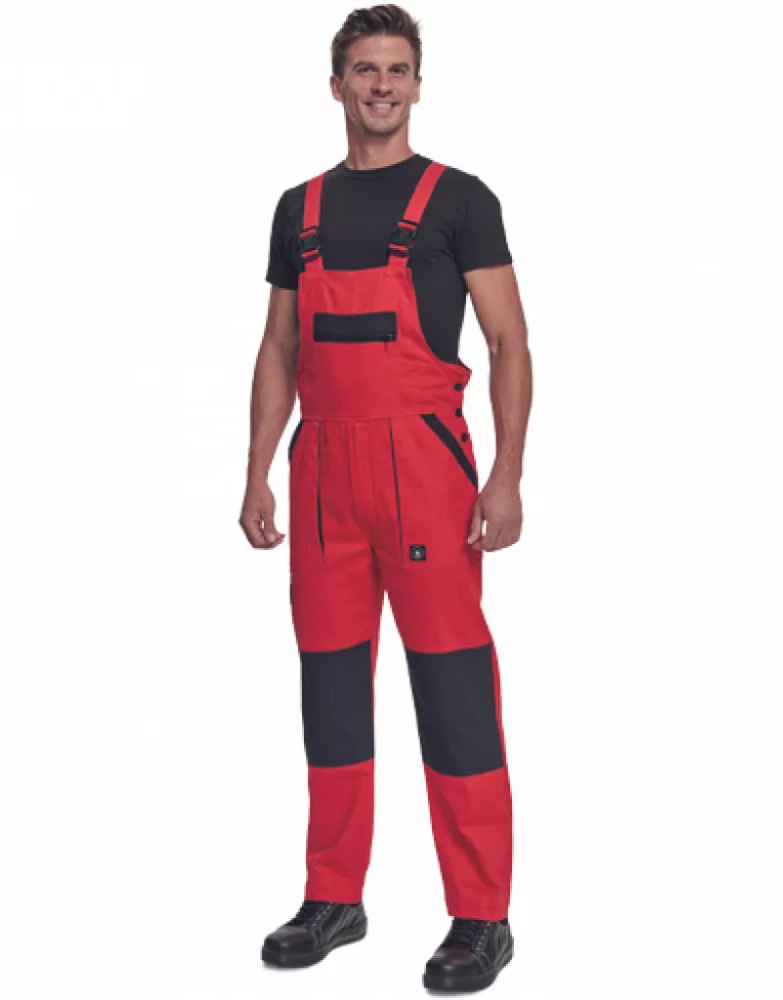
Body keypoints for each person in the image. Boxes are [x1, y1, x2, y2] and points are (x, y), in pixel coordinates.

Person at [239, 4, 532, 992]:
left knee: (452, 688)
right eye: (364, 70)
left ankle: (481, 915)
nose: (381, 85)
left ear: (416, 84)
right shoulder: (299, 209)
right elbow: (279, 345)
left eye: (397, 70)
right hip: (322, 470)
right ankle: (334, 896)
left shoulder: (460, 200)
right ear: (337, 85)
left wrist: (505, 473)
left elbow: (509, 342)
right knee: (329, 689)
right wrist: (257, 469)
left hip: (425, 470)